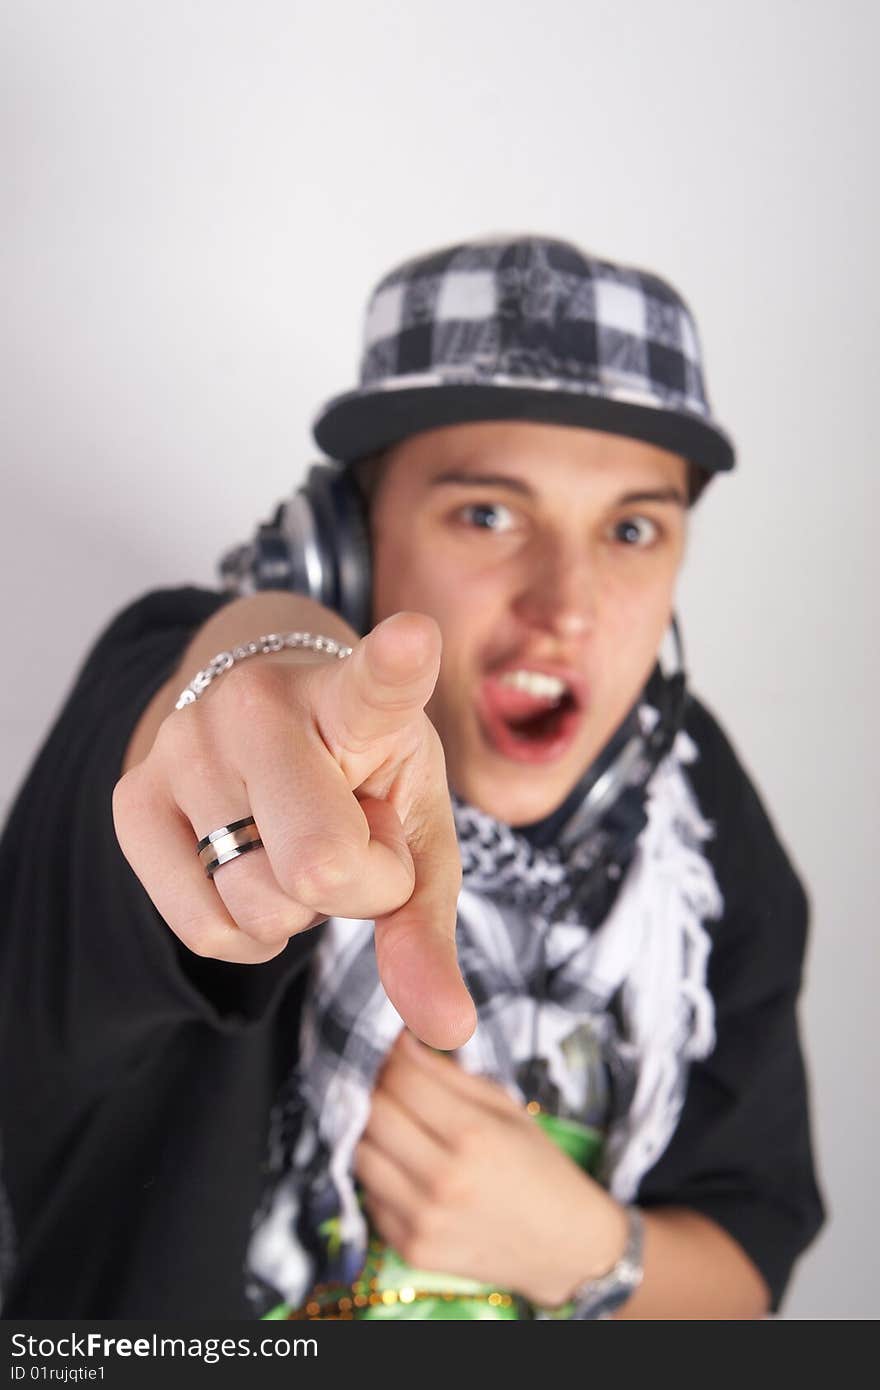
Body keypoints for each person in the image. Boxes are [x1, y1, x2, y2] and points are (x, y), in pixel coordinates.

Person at [0, 235, 824, 1319]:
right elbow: (232, 694)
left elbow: (742, 1272)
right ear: (343, 545)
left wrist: (584, 1248)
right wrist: (260, 661)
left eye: (630, 528)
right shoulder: (181, 707)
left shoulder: (699, 814)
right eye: (487, 513)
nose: (566, 605)